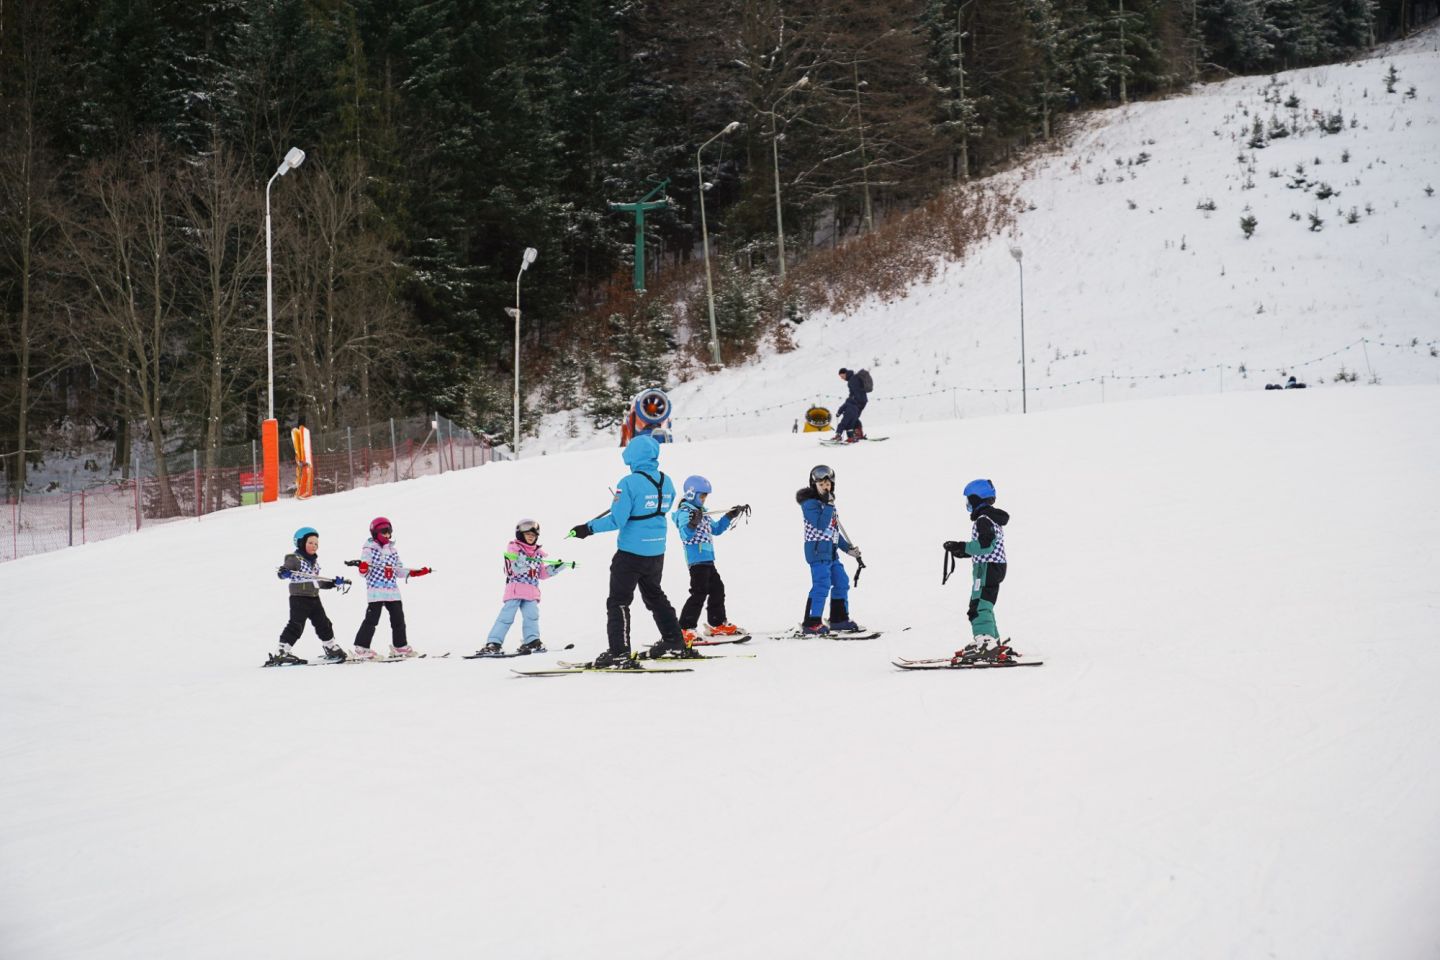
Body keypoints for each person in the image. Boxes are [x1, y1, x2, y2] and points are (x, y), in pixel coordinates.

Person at [569, 433, 686, 667]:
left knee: (619, 602)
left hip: (631, 553)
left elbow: (617, 520)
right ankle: (674, 641)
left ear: (633, 455)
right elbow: (662, 506)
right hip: (656, 551)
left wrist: (588, 528)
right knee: (655, 596)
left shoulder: (628, 483)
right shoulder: (667, 481)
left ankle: (619, 652)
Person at [478, 519, 574, 656]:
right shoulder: (514, 549)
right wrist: (518, 564)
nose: (531, 537)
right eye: (528, 534)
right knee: (506, 617)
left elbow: (540, 574)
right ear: (520, 534)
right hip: (515, 589)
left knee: (532, 616)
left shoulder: (538, 553)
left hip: (531, 591)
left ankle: (532, 641)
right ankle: (493, 643)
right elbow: (509, 571)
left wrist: (554, 568)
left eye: (533, 535)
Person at [944, 479, 1015, 664]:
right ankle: (992, 641)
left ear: (976, 499)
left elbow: (985, 545)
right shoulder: (991, 518)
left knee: (978, 607)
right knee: (986, 605)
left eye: (969, 499)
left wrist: (962, 546)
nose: (968, 503)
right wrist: (961, 550)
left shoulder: (983, 519)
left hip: (987, 568)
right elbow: (986, 545)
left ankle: (985, 645)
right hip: (994, 566)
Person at [672, 475, 749, 645]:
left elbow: (717, 529)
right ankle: (685, 628)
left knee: (717, 589)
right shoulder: (685, 512)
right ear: (691, 494)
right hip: (696, 560)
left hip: (707, 559)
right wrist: (693, 523)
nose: (704, 499)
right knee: (699, 592)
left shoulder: (703, 513)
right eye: (702, 496)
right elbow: (685, 534)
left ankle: (717, 624)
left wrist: (729, 516)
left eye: (705, 496)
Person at [795, 464, 863, 635]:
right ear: (814, 485)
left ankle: (838, 619)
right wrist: (829, 505)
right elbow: (820, 525)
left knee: (842, 582)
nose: (826, 487)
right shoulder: (809, 504)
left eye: (828, 484)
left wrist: (848, 549)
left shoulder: (827, 504)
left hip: (831, 552)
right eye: (821, 484)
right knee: (822, 584)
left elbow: (833, 532)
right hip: (817, 552)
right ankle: (811, 622)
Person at [268, 526, 350, 666]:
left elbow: (318, 583)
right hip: (299, 598)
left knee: (324, 623)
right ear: (301, 543)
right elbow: (283, 573)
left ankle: (330, 647)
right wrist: (284, 572)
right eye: (310, 543)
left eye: (316, 543)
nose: (314, 546)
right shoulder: (294, 559)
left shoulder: (314, 563)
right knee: (296, 625)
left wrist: (333, 583)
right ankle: (281, 652)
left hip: (314, 598)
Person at [352, 516, 431, 659]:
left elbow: (399, 570)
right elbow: (363, 573)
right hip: (376, 591)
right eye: (384, 532)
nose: (387, 535)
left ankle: (400, 646)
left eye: (389, 531)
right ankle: (361, 648)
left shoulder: (393, 550)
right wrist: (363, 567)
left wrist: (415, 572)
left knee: (398, 619)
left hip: (392, 591)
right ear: (375, 533)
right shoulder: (369, 549)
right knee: (372, 619)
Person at [834, 369, 869, 443]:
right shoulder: (853, 378)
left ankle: (856, 435)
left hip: (858, 402)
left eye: (842, 376)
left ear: (845, 373)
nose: (842, 378)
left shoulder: (852, 380)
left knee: (851, 419)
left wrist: (853, 400)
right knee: (855, 418)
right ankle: (858, 434)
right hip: (861, 401)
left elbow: (857, 391)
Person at [291, 416, 314, 499]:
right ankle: (300, 491)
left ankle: (303, 491)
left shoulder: (304, 433)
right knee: (301, 470)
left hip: (304, 462)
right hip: (303, 462)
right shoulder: (300, 433)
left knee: (304, 469)